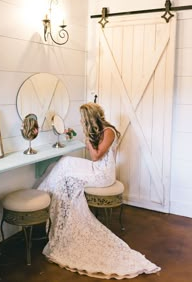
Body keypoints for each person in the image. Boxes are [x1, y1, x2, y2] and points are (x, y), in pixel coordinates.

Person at [38, 102, 160, 279]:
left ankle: (43, 196)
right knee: (65, 171)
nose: (80, 120)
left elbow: (96, 156)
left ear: (89, 118)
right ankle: (58, 209)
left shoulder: (108, 131)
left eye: (82, 118)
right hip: (98, 170)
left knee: (65, 164)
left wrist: (87, 137)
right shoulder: (101, 130)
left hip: (103, 174)